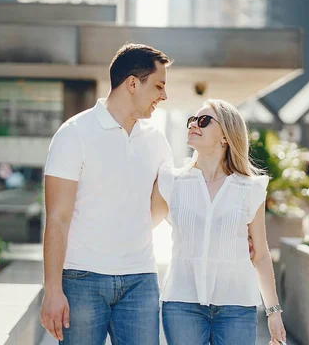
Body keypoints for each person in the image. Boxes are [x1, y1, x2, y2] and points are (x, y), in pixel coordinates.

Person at [40, 43, 173, 344]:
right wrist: (52, 290)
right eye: (159, 86)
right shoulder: (74, 134)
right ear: (132, 84)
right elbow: (57, 218)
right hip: (82, 279)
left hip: (140, 279)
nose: (163, 96)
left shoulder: (157, 142)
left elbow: (160, 209)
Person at [152, 99, 287, 345]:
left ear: (226, 136)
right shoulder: (172, 182)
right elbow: (141, 225)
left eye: (203, 120)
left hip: (236, 306)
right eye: (191, 120)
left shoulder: (250, 188)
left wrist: (273, 311)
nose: (193, 124)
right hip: (182, 303)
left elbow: (260, 255)